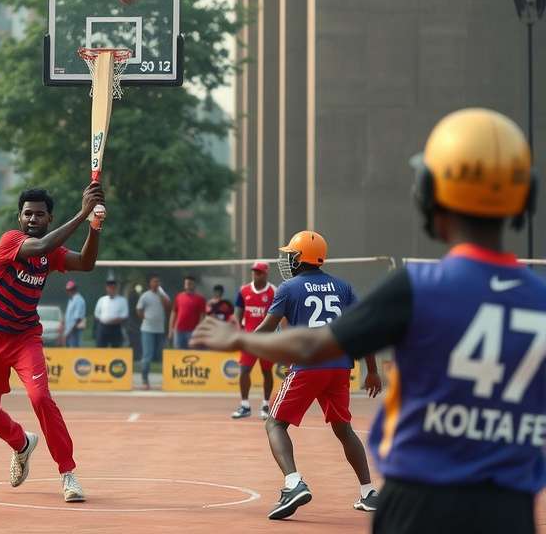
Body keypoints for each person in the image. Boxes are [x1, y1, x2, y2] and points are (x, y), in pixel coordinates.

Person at [191, 108, 544, 534]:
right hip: (510, 511)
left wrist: (236, 338)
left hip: (418, 502)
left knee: (281, 423)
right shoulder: (539, 301)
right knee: (341, 427)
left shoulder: (418, 286)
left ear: (428, 194)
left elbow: (309, 346)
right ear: (526, 196)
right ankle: (364, 489)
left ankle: (297, 482)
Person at [0, 183, 105, 503]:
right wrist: (83, 212)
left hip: (25, 337)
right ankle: (21, 444)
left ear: (50, 218)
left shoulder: (52, 254)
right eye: (28, 213)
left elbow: (86, 263)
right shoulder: (11, 241)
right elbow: (42, 245)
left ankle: (68, 474)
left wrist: (95, 227)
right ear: (19, 217)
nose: (33, 218)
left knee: (40, 398)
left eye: (40, 214)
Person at [231, 262, 277, 420]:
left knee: (267, 372)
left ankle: (265, 405)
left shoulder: (273, 291)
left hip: (266, 340)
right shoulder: (244, 291)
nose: (255, 274)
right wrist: (238, 328)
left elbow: (279, 314)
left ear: (265, 274)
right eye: (254, 272)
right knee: (244, 370)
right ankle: (245, 405)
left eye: (259, 272)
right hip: (249, 339)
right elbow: (237, 312)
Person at [136, 275, 171, 389]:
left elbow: (168, 307)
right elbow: (139, 309)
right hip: (147, 329)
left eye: (158, 281)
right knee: (147, 355)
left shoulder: (163, 295)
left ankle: (165, 380)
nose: (156, 283)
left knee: (161, 355)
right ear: (150, 283)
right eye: (154, 281)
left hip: (160, 329)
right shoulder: (145, 296)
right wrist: (145, 318)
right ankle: (145, 380)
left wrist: (162, 297)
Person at [168, 275, 206, 349]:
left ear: (194, 285)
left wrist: (199, 331)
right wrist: (171, 329)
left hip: (192, 331)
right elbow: (173, 313)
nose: (187, 285)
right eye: (186, 283)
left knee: (192, 353)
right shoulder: (179, 296)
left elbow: (202, 317)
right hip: (178, 330)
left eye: (189, 283)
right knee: (178, 353)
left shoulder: (200, 299)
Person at [93, 278, 129, 348]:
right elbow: (97, 314)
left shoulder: (122, 300)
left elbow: (124, 315)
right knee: (101, 347)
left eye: (113, 288)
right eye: (109, 287)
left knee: (116, 347)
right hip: (103, 327)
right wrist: (104, 320)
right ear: (106, 288)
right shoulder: (102, 300)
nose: (111, 289)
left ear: (116, 288)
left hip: (116, 328)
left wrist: (112, 321)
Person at [63, 280, 86, 348]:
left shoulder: (79, 300)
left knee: (74, 351)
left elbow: (78, 319)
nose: (69, 291)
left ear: (75, 289)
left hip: (75, 331)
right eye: (68, 290)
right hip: (69, 331)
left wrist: (69, 332)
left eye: (71, 289)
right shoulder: (71, 300)